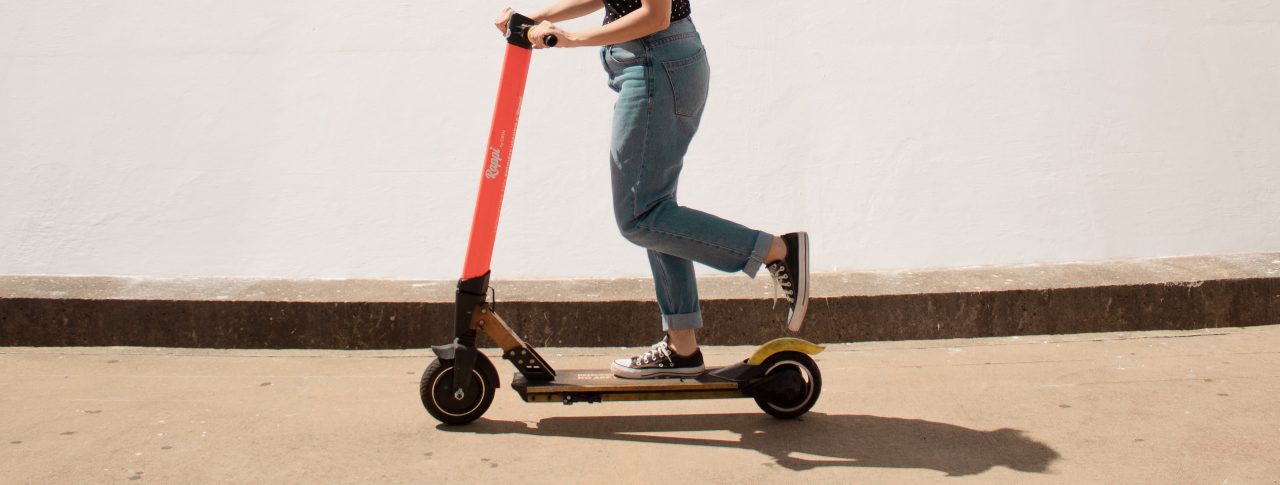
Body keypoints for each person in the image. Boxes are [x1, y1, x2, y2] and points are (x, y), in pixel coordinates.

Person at [494, 0, 810, 379]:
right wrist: (543, 18)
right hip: (650, 63)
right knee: (656, 212)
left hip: (656, 63)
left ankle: (776, 250)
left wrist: (572, 38)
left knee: (639, 217)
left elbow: (655, 15)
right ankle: (682, 348)